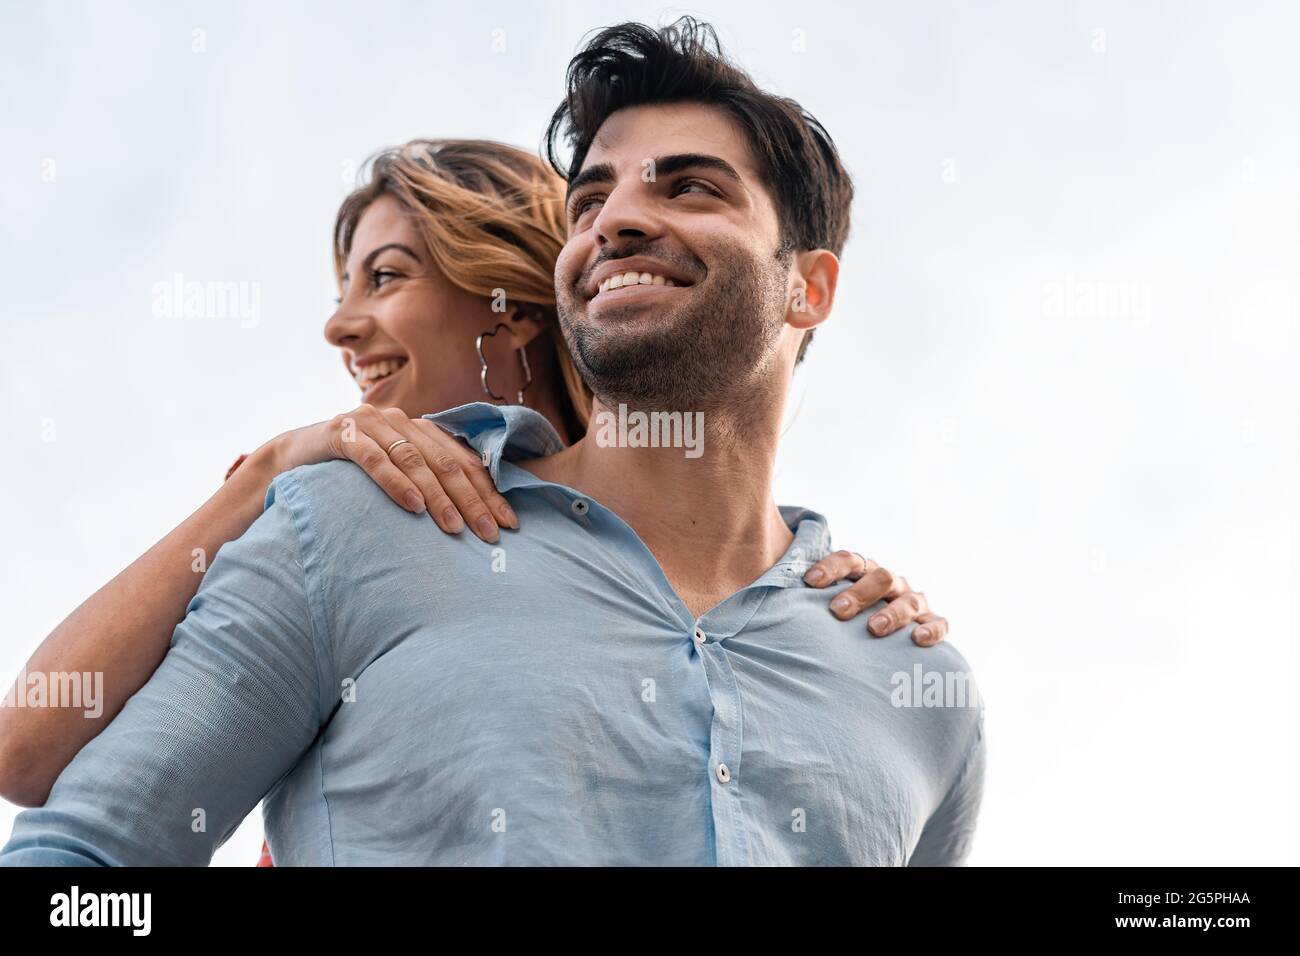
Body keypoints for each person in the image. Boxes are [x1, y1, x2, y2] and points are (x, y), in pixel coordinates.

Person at [0, 18, 980, 865]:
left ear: (808, 286)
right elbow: (70, 831)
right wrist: (267, 476)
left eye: (688, 188)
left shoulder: (912, 676)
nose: (620, 220)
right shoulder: (345, 525)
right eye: (588, 202)